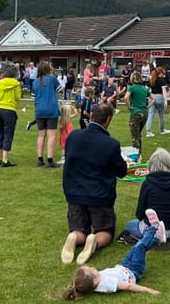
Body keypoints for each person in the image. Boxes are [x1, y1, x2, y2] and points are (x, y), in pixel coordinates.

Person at [61, 104, 128, 265]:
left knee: (79, 229)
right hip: (100, 196)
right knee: (105, 231)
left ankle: (75, 237)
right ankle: (94, 241)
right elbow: (121, 171)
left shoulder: (73, 136)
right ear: (108, 120)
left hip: (75, 193)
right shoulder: (110, 144)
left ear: (92, 116)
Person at [62, 213, 163, 299]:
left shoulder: (93, 282)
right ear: (94, 280)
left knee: (136, 248)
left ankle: (157, 239)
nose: (92, 267)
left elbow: (81, 283)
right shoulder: (108, 284)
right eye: (91, 269)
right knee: (139, 247)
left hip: (124, 266)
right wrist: (148, 290)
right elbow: (128, 286)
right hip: (134, 271)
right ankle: (154, 227)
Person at [124, 148, 170, 241]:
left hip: (152, 228)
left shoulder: (148, 183)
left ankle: (154, 235)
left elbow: (140, 212)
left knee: (130, 225)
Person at [32, 61, 61, 168]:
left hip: (39, 109)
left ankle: (40, 159)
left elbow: (33, 97)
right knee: (51, 135)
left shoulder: (35, 82)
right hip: (51, 109)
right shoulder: (52, 79)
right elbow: (60, 89)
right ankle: (50, 159)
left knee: (41, 135)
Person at [0, 65, 21, 167]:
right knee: (8, 134)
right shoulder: (16, 84)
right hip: (9, 110)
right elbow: (17, 98)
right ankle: (5, 160)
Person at [124, 71, 154, 158]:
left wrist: (129, 107)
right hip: (144, 112)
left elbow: (126, 97)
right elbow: (153, 98)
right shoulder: (144, 88)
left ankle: (136, 155)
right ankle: (139, 153)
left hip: (136, 112)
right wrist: (147, 107)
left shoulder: (132, 88)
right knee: (138, 134)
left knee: (134, 136)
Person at [145, 66, 169, 138]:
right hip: (159, 97)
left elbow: (146, 88)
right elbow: (164, 90)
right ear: (160, 73)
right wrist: (165, 100)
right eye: (163, 73)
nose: (163, 75)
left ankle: (148, 131)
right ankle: (162, 130)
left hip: (152, 97)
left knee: (150, 115)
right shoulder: (162, 80)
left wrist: (147, 96)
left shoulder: (152, 80)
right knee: (161, 115)